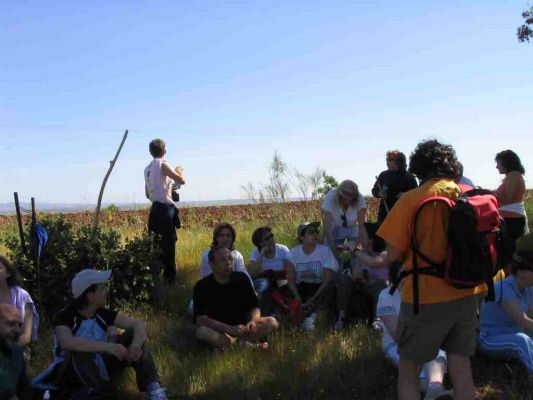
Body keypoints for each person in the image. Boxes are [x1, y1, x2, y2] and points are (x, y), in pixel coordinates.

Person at [377, 139, 486, 400]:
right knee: (460, 367)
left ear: (417, 168)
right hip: (468, 291)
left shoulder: (412, 199)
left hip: (425, 297)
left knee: (409, 370)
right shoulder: (467, 193)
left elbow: (393, 254)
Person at [32, 269, 168, 399]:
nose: (106, 291)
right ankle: (102, 393)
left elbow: (138, 325)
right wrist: (109, 347)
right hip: (71, 374)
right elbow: (67, 343)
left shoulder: (103, 313)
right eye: (102, 288)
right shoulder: (65, 316)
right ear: (90, 296)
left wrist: (136, 345)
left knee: (134, 335)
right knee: (78, 353)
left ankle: (155, 391)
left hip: (101, 366)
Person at [376, 264, 453, 400]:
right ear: (396, 275)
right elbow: (397, 334)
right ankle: (434, 392)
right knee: (414, 368)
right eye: (404, 273)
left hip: (423, 339)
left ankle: (435, 388)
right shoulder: (386, 296)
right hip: (397, 344)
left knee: (437, 351)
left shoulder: (423, 294)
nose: (408, 277)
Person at [194, 247, 278, 350]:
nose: (228, 263)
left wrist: (252, 322)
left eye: (230, 259)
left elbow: (254, 307)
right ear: (212, 264)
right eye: (223, 259)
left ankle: (235, 345)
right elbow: (201, 319)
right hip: (220, 331)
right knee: (202, 332)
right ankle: (242, 345)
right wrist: (229, 329)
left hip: (243, 329)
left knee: (272, 322)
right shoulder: (202, 286)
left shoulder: (241, 278)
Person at [478, 233, 533, 377]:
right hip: (490, 338)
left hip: (514, 333)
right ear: (521, 272)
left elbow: (531, 317)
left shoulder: (529, 289)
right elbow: (522, 320)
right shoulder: (503, 288)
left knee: (523, 337)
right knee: (521, 340)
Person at [144, 138, 185, 283]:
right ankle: (170, 279)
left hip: (154, 210)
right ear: (164, 151)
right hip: (165, 211)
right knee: (168, 245)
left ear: (150, 152)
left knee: (155, 246)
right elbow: (181, 180)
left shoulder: (147, 169)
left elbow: (148, 194)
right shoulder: (163, 164)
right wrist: (179, 171)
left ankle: (154, 279)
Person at [335, 222, 388, 329]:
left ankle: (377, 321)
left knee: (379, 284)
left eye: (363, 235)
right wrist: (357, 276)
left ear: (371, 239)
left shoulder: (385, 254)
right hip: (363, 289)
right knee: (346, 279)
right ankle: (341, 319)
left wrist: (354, 250)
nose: (359, 238)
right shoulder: (362, 254)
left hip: (380, 292)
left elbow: (374, 262)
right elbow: (354, 276)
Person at [287, 222, 338, 331]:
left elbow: (328, 279)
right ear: (301, 237)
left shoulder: (325, 251)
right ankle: (300, 314)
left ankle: (312, 316)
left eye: (316, 232)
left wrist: (314, 298)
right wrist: (296, 296)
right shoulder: (292, 253)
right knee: (284, 290)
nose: (315, 235)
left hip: (320, 288)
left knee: (331, 288)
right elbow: (290, 279)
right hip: (302, 288)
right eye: (311, 232)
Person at [322, 180, 368, 262]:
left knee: (356, 253)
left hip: (353, 227)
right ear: (339, 194)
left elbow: (361, 225)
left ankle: (355, 271)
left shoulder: (360, 199)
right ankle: (336, 271)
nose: (349, 200)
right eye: (346, 196)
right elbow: (326, 223)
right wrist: (331, 244)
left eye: (352, 197)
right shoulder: (330, 196)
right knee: (329, 254)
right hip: (334, 226)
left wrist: (356, 243)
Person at [0, 255, 39, 348]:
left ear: (8, 273)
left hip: (18, 347)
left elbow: (26, 336)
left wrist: (5, 351)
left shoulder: (22, 296)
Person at [372, 150, 418, 223]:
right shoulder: (383, 175)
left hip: (401, 214)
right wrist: (379, 193)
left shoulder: (408, 177)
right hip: (384, 214)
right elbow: (374, 190)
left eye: (390, 160)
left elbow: (416, 194)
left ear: (399, 162)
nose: (387, 161)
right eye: (387, 159)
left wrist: (406, 195)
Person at [495, 150, 528, 247]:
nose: (496, 167)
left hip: (512, 219)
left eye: (498, 163)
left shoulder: (513, 175)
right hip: (512, 217)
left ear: (506, 163)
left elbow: (509, 199)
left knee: (510, 251)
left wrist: (490, 195)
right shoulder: (513, 175)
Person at [248, 226, 291, 298]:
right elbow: (253, 273)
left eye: (271, 236)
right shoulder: (255, 253)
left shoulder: (282, 249)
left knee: (285, 287)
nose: (271, 239)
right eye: (267, 239)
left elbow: (290, 269)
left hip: (280, 278)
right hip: (264, 280)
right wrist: (262, 254)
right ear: (260, 243)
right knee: (263, 284)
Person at [0, 303, 30, 399]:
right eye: (11, 324)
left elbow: (24, 389)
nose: (17, 330)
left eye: (19, 325)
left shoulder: (17, 352)